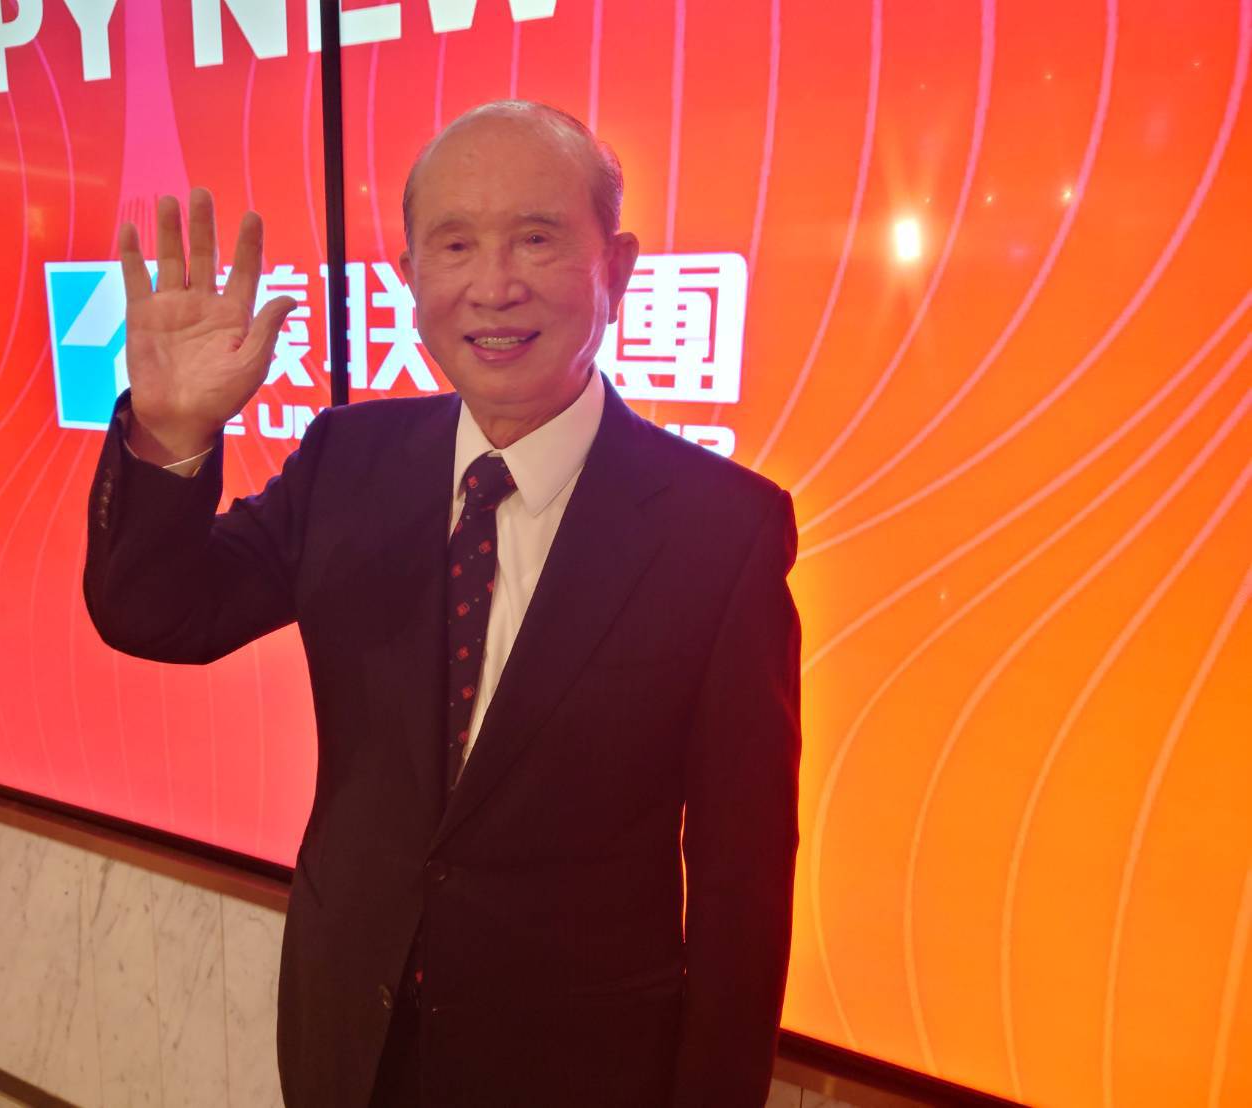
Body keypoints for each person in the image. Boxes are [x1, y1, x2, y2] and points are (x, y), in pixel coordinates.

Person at [84, 100, 800, 1108]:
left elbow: (740, 878)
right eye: (454, 245)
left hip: (578, 1069)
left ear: (618, 267)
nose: (493, 285)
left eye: (536, 239)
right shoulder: (349, 459)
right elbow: (158, 615)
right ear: (410, 276)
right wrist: (169, 435)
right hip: (349, 1034)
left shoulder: (721, 529)